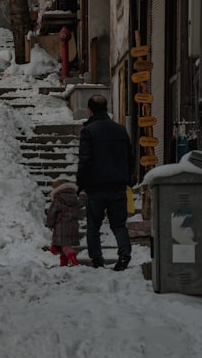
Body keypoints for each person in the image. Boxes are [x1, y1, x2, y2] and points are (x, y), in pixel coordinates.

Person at [76, 94, 133, 271]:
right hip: (118, 185)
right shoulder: (121, 130)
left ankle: (97, 259)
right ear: (107, 108)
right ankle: (124, 252)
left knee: (94, 225)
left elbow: (85, 160)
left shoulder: (89, 131)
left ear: (90, 110)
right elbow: (129, 158)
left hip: (96, 187)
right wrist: (127, 178)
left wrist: (81, 184)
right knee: (118, 224)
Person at [45, 178, 81, 266]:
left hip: (61, 228)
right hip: (73, 227)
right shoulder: (75, 199)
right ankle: (63, 266)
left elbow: (51, 213)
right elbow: (81, 205)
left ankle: (74, 262)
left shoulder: (58, 200)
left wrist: (49, 224)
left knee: (65, 247)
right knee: (63, 247)